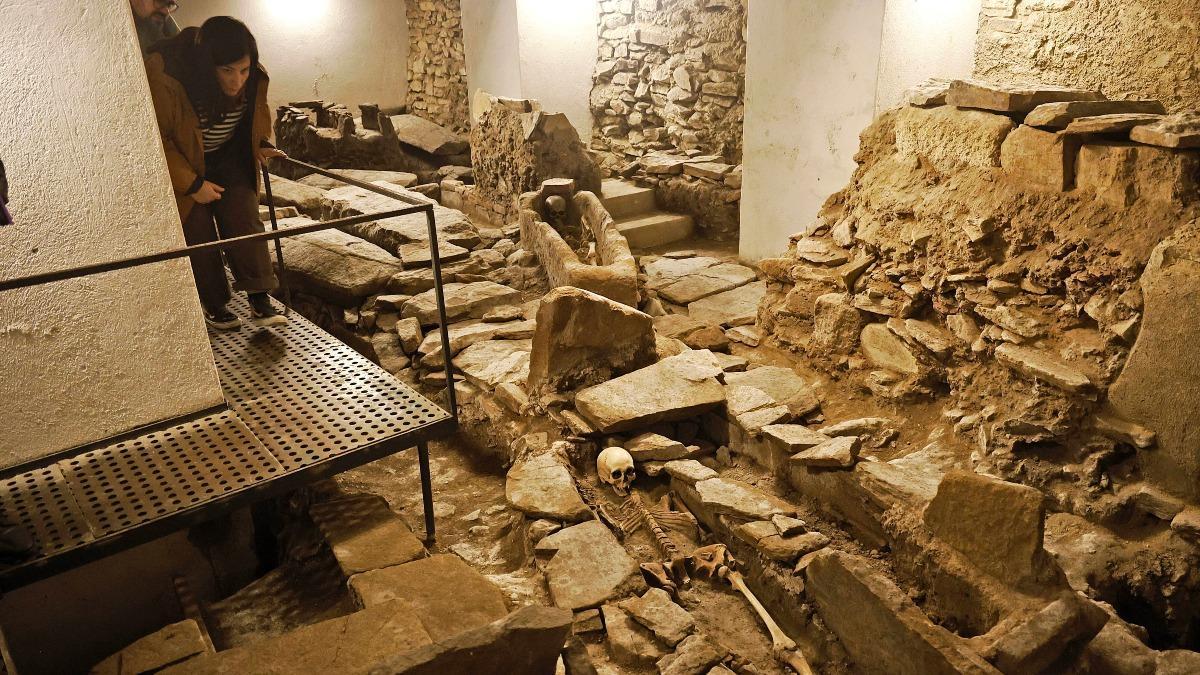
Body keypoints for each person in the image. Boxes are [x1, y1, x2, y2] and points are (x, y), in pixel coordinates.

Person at [146, 16, 288, 329]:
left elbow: (255, 116)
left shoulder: (254, 77)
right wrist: (193, 183)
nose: (237, 80)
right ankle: (214, 303)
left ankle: (259, 295)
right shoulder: (170, 79)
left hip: (227, 157)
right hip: (185, 161)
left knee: (243, 212)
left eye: (243, 70)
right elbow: (158, 138)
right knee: (197, 228)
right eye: (226, 71)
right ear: (207, 65)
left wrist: (261, 143)